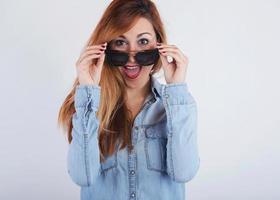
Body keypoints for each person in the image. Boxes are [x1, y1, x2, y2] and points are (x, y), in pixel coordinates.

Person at [58, 0, 200, 199]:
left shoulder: (178, 106)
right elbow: (83, 177)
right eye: (120, 42)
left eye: (143, 42)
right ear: (106, 49)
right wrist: (88, 90)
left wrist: (176, 90)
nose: (132, 58)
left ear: (160, 45)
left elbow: (185, 172)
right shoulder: (88, 106)